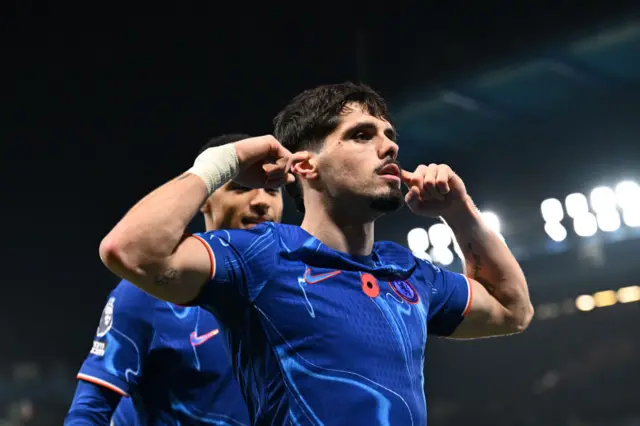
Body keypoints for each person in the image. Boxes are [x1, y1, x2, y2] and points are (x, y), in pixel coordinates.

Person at [99, 82, 534, 425]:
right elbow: (130, 250)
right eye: (362, 135)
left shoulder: (408, 272)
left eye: (389, 135)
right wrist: (223, 161)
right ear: (306, 166)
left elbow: (513, 309)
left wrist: (459, 211)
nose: (389, 146)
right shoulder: (259, 256)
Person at [65, 134, 284, 425]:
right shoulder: (149, 293)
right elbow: (90, 412)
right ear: (204, 200)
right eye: (242, 188)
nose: (260, 201)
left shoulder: (302, 289)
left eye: (272, 190)